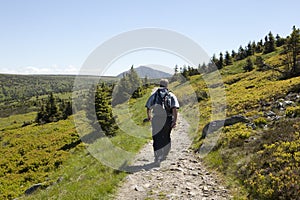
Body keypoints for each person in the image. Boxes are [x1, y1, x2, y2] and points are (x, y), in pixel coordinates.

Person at [145, 79, 180, 166]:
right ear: (167, 85)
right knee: (166, 136)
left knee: (157, 137)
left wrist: (149, 117)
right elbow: (174, 109)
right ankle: (164, 154)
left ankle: (158, 157)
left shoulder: (154, 95)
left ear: (159, 85)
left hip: (156, 119)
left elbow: (148, 107)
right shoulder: (171, 95)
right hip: (167, 119)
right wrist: (174, 121)